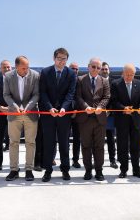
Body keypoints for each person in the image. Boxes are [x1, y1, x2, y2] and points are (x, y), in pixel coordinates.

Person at [39, 48, 76, 182]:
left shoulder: (71, 74)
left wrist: (64, 108)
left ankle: (65, 169)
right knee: (49, 143)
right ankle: (48, 170)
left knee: (64, 143)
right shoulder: (45, 72)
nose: (61, 61)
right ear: (54, 58)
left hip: (64, 115)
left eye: (64, 59)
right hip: (48, 114)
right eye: (59, 58)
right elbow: (42, 92)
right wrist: (50, 108)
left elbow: (71, 93)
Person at [4, 56, 39, 181]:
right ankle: (14, 170)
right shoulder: (8, 77)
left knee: (30, 142)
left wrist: (27, 107)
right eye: (23, 68)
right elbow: (6, 95)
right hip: (14, 114)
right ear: (16, 67)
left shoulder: (35, 75)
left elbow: (36, 94)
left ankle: (29, 169)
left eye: (28, 67)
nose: (26, 70)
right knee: (13, 143)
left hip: (30, 113)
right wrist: (15, 106)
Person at [76, 58, 110, 181]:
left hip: (99, 119)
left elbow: (107, 97)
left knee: (99, 147)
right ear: (88, 66)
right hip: (85, 119)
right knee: (86, 146)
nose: (96, 69)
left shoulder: (104, 81)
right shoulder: (80, 79)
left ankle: (99, 171)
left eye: (98, 67)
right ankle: (88, 171)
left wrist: (101, 106)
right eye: (93, 66)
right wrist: (85, 107)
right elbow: (78, 97)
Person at [111, 64, 140, 179]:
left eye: (131, 75)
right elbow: (114, 101)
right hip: (122, 120)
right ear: (123, 73)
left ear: (134, 74)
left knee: (136, 146)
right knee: (122, 146)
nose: (128, 77)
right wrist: (123, 108)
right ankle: (123, 169)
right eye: (126, 74)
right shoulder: (116, 84)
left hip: (135, 120)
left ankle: (136, 170)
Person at [0, 60, 12, 172]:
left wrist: (11, 108)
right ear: (0, 69)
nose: (7, 69)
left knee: (15, 141)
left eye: (8, 67)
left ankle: (14, 165)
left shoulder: (16, 79)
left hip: (13, 112)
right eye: (4, 67)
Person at [100, 61, 118, 169]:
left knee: (111, 139)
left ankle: (112, 160)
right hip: (98, 114)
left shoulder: (114, 83)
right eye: (102, 69)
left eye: (106, 69)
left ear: (109, 70)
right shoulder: (97, 81)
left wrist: (109, 110)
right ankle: (99, 162)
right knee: (98, 140)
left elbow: (115, 99)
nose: (104, 71)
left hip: (110, 115)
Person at [69, 62, 81, 168]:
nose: (75, 70)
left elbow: (80, 97)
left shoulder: (80, 81)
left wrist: (76, 109)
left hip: (78, 115)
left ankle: (75, 160)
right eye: (73, 68)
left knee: (77, 139)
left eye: (76, 69)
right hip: (66, 113)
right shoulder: (64, 79)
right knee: (63, 139)